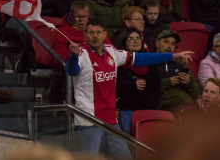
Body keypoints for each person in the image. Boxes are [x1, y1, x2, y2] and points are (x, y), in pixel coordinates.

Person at [66, 19, 193, 158]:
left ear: (104, 34)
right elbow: (71, 71)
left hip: (111, 121)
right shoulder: (80, 54)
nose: (95, 36)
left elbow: (141, 58)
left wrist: (172, 56)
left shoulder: (112, 52)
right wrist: (73, 56)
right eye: (91, 33)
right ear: (85, 35)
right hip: (88, 120)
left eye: (98, 32)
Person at [116, 27, 161, 134]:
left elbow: (157, 86)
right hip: (127, 109)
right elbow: (114, 88)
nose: (136, 41)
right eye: (131, 39)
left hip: (149, 108)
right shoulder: (119, 64)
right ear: (124, 42)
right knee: (129, 133)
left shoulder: (149, 62)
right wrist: (132, 84)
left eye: (137, 38)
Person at [154, 30, 199, 119]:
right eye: (166, 42)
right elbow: (149, 90)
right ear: (157, 43)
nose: (169, 46)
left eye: (173, 43)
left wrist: (188, 83)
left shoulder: (181, 63)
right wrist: (168, 82)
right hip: (166, 105)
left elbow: (196, 93)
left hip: (187, 103)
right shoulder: (151, 63)